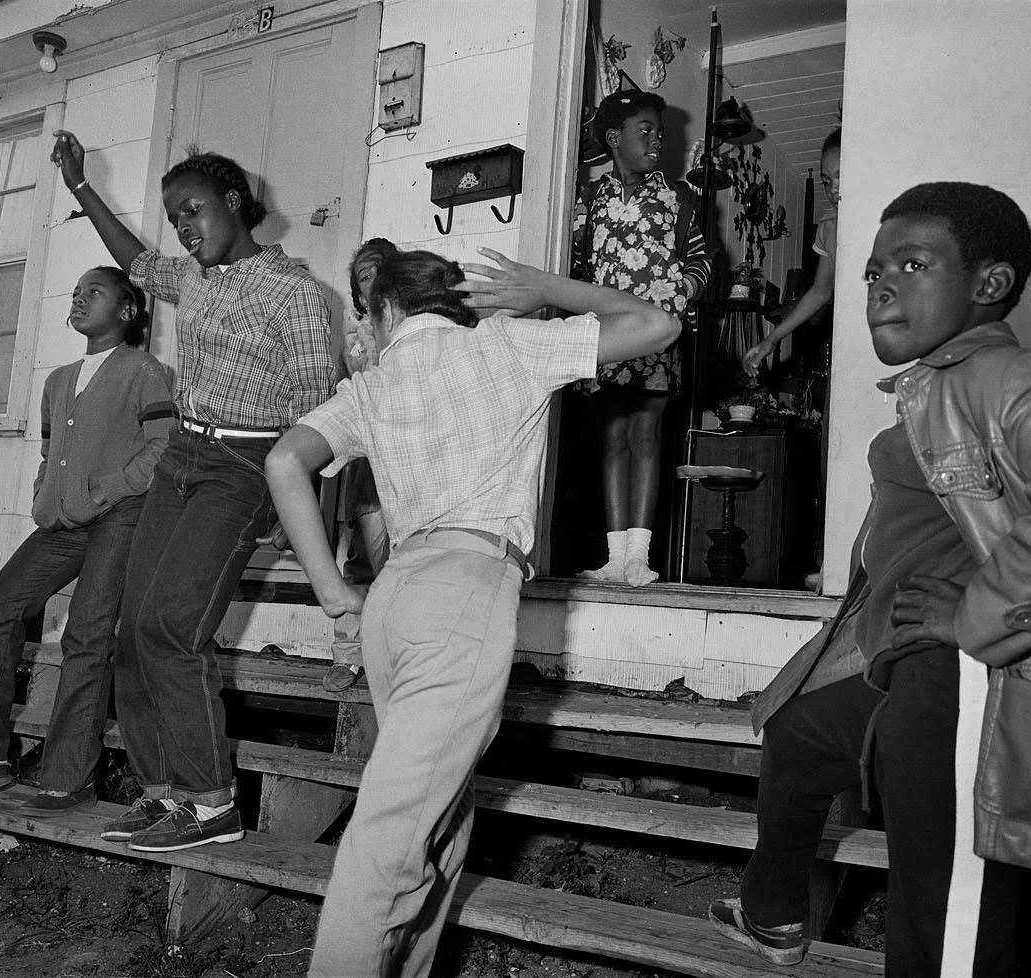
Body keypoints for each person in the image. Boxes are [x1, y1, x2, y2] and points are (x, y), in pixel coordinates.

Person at [709, 182, 1031, 976]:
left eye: (913, 263)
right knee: (797, 736)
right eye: (871, 271)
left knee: (943, 930)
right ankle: (774, 915)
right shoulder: (937, 382)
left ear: (987, 285)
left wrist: (982, 610)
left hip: (967, 675)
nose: (882, 285)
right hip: (906, 662)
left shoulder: (1001, 375)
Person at [265, 247, 679, 977]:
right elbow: (655, 323)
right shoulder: (508, 345)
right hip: (466, 590)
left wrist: (334, 592)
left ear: (388, 309)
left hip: (395, 599)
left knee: (438, 817)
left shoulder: (375, 383)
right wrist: (547, 290)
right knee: (392, 838)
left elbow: (284, 462)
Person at [50, 131, 335, 852]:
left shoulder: (296, 293)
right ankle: (163, 792)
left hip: (240, 471)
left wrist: (292, 510)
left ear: (233, 203)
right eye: (174, 215)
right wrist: (81, 187)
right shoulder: (196, 278)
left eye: (194, 210)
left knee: (174, 629)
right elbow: (135, 261)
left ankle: (213, 806)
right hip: (180, 456)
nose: (183, 226)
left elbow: (314, 413)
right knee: (131, 628)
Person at [0, 267, 173, 817]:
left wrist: (103, 490)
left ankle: (66, 777)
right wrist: (43, 495)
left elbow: (161, 451)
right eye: (75, 293)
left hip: (120, 515)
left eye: (94, 292)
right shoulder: (58, 381)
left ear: (127, 311)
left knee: (87, 631)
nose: (79, 300)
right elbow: (48, 452)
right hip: (60, 522)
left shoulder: (145, 371)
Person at [571, 89, 712, 586]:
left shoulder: (680, 197)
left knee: (647, 435)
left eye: (660, 131)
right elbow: (582, 268)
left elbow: (701, 260)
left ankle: (640, 557)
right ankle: (614, 558)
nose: (657, 139)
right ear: (614, 138)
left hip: (655, 334)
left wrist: (678, 294)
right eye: (645, 131)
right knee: (613, 438)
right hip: (607, 337)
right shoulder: (591, 199)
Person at [322, 237, 397, 693]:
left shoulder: (417, 328)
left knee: (404, 563)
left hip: (409, 469)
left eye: (380, 272)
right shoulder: (355, 342)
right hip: (368, 471)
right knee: (362, 562)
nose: (371, 282)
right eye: (363, 276)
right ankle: (349, 654)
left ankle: (393, 655)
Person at [742, 128, 840, 378]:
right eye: (827, 181)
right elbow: (820, 292)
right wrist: (771, 340)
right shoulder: (829, 229)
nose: (833, 189)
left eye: (842, 176)